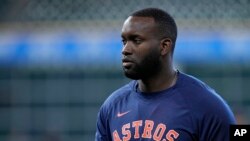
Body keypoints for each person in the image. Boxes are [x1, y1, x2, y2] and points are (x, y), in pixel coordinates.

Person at [95, 7, 236, 141]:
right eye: (124, 41)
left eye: (136, 41)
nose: (125, 50)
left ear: (164, 46)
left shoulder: (208, 105)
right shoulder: (112, 106)